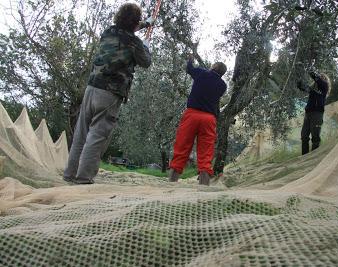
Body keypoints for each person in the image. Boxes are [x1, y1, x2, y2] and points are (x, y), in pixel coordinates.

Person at [63, 3, 152, 184]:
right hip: (110, 93)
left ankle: (69, 174)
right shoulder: (135, 43)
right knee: (97, 136)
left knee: (81, 133)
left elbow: (127, 31)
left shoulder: (108, 31)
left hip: (92, 87)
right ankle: (84, 179)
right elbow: (146, 62)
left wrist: (146, 24)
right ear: (135, 21)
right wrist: (146, 46)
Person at [169, 55, 227, 185]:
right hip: (209, 119)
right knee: (206, 152)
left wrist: (190, 58)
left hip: (192, 115)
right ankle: (204, 187)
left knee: (182, 146)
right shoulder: (223, 85)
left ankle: (172, 182)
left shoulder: (201, 73)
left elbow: (189, 68)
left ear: (214, 67)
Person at [297, 70, 331, 155]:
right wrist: (300, 84)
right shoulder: (312, 89)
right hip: (308, 114)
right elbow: (305, 88)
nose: (320, 78)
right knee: (304, 136)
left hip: (317, 114)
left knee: (315, 137)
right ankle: (304, 157)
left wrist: (313, 74)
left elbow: (320, 81)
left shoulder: (324, 87)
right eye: (320, 77)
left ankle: (314, 156)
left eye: (322, 78)